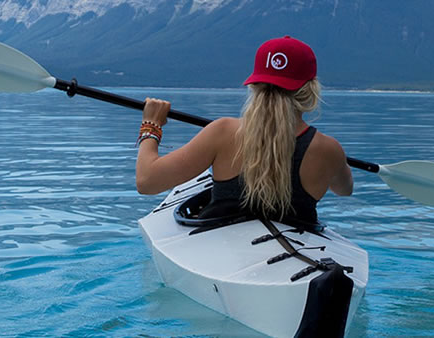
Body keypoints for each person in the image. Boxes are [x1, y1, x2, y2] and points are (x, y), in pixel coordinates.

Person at [134, 36, 352, 228]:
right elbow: (344, 189)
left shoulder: (223, 132)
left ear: (254, 85)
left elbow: (147, 181)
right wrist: (334, 162)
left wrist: (151, 125)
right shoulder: (328, 149)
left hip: (220, 244)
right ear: (310, 90)